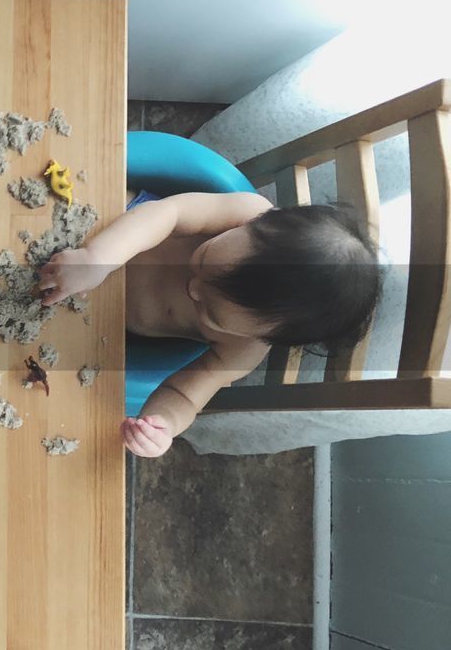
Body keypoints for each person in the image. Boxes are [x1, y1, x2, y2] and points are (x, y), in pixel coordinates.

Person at [37, 191, 381, 457]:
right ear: (256, 223)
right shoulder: (244, 210)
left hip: (99, 320)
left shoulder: (243, 350)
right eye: (203, 259)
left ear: (262, 335)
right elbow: (168, 214)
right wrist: (98, 257)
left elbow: (184, 395)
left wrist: (163, 426)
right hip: (106, 233)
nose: (192, 288)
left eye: (210, 313)